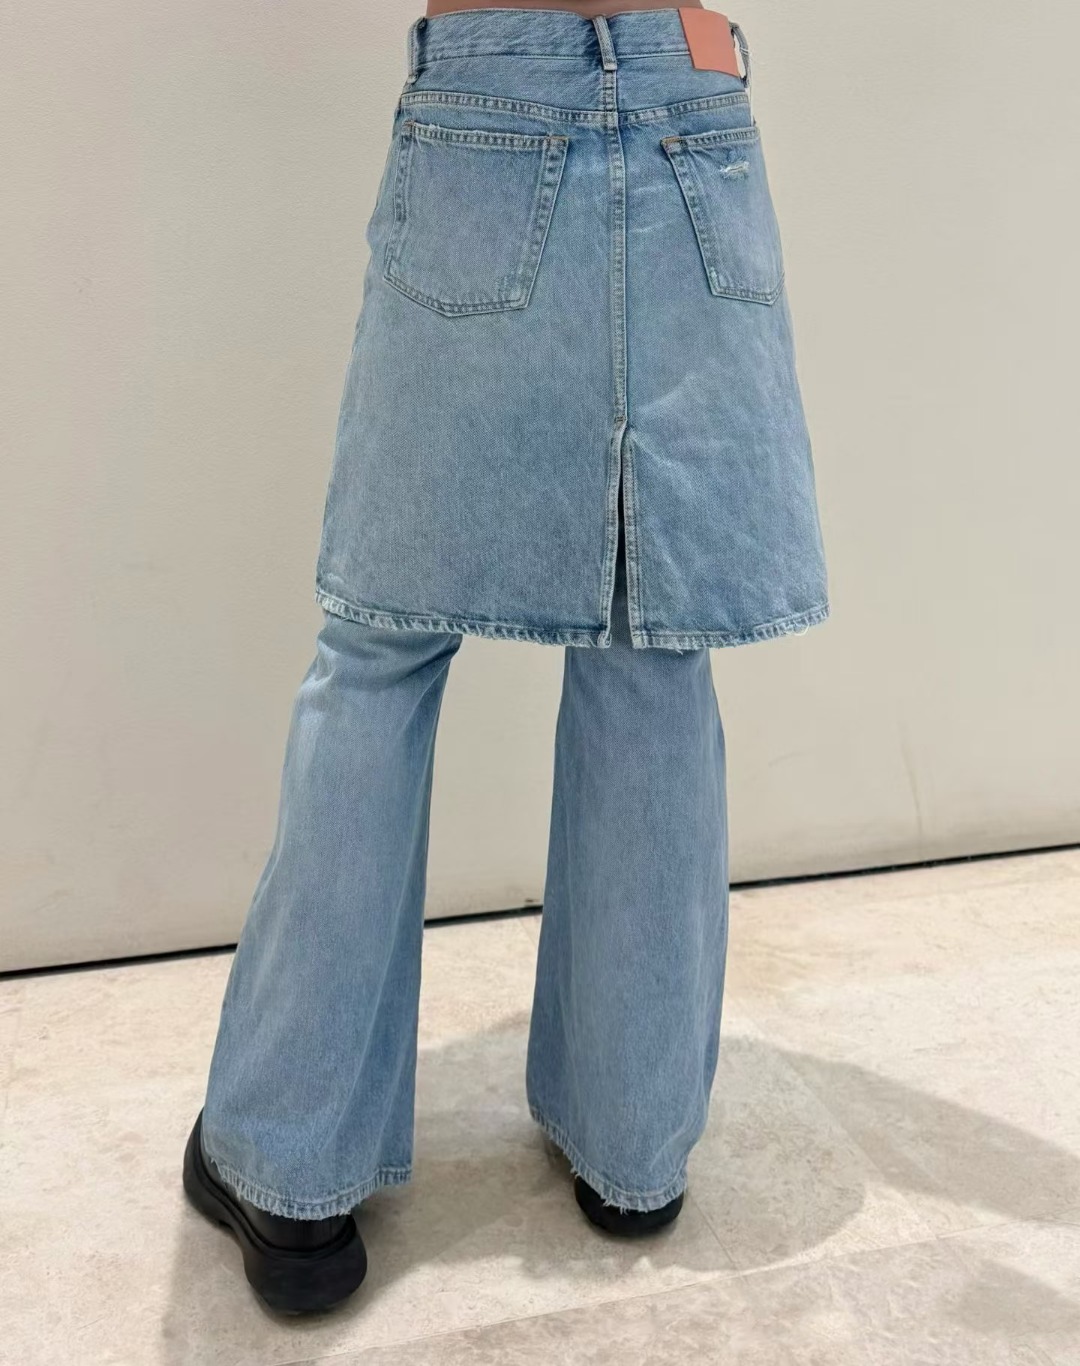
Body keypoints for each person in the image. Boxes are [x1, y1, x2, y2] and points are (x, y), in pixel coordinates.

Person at [181, 1, 829, 1315]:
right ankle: (633, 1147)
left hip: (493, 102)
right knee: (651, 635)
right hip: (689, 108)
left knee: (381, 648)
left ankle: (291, 1170)